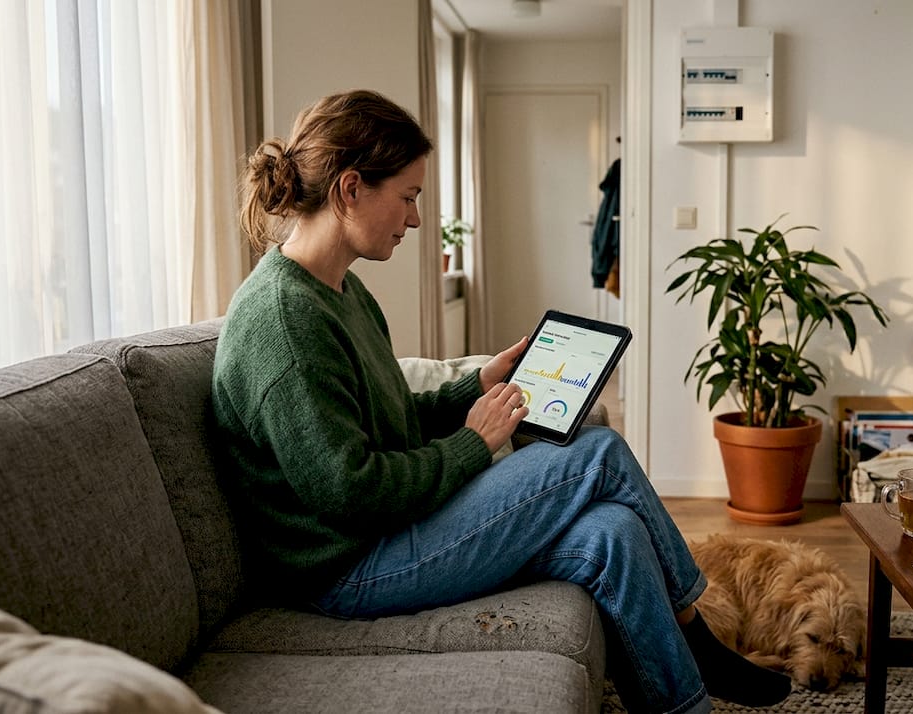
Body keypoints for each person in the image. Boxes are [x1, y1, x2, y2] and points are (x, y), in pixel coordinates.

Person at [211, 89, 792, 714]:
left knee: (613, 533)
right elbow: (352, 490)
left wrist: (478, 385)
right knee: (595, 451)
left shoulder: (343, 293)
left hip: (383, 534)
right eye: (407, 197)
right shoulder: (286, 322)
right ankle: (695, 634)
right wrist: (474, 443)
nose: (413, 220)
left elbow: (386, 421)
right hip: (347, 569)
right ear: (351, 189)